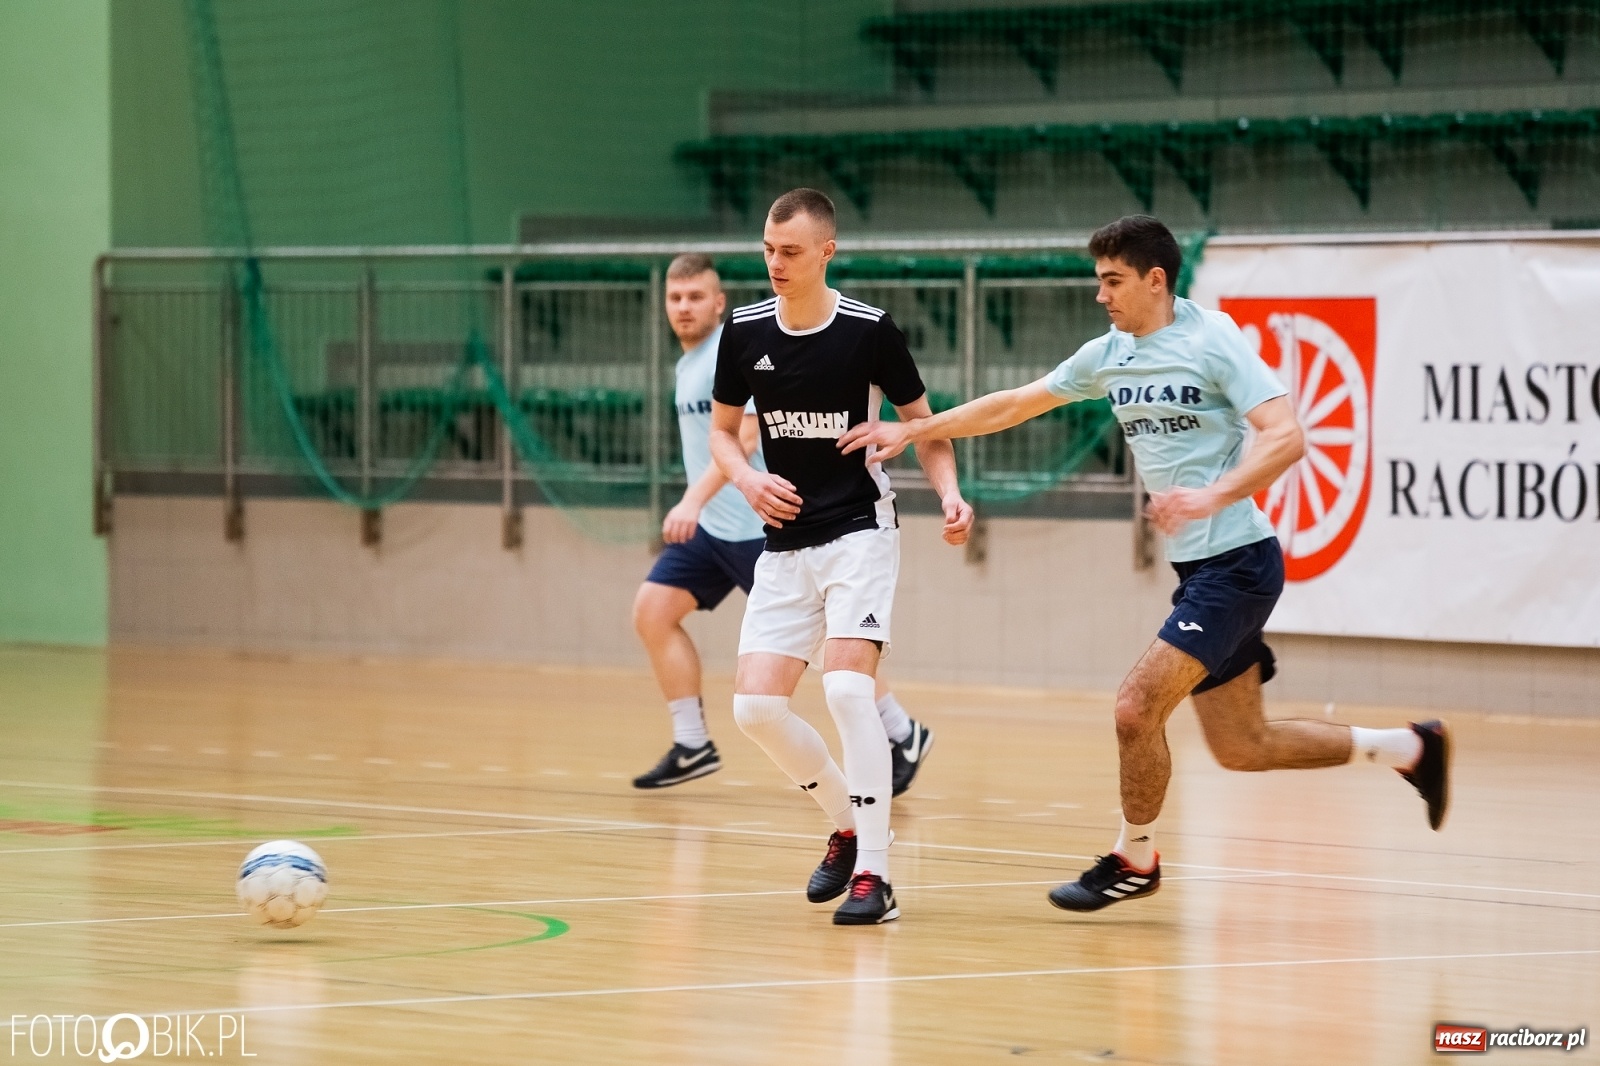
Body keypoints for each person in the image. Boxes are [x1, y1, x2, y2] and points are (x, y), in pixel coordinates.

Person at [839, 214, 1451, 913]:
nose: (1101, 295)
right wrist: (916, 428)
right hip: (1199, 570)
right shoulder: (1111, 353)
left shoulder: (1213, 338)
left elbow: (1287, 438)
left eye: (1112, 281)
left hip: (1240, 565)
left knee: (1135, 709)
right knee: (1243, 746)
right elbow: (1015, 403)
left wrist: (1211, 495)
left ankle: (1135, 856)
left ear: (1155, 280)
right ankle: (1409, 748)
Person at [710, 189, 973, 925]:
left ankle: (877, 878)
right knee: (756, 708)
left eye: (790, 251)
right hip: (784, 540)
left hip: (860, 526)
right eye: (767, 248)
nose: (774, 262)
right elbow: (724, 435)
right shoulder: (744, 331)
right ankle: (849, 825)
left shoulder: (868, 332)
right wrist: (747, 479)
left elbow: (927, 425)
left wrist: (949, 493)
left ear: (826, 252)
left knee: (849, 691)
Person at [631, 253, 936, 796]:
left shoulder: (738, 344)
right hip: (714, 533)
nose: (683, 307)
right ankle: (691, 740)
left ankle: (898, 732)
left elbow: (745, 438)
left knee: (830, 653)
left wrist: (691, 502)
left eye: (696, 296)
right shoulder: (688, 362)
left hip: (765, 522)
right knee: (653, 612)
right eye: (675, 298)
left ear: (718, 302)